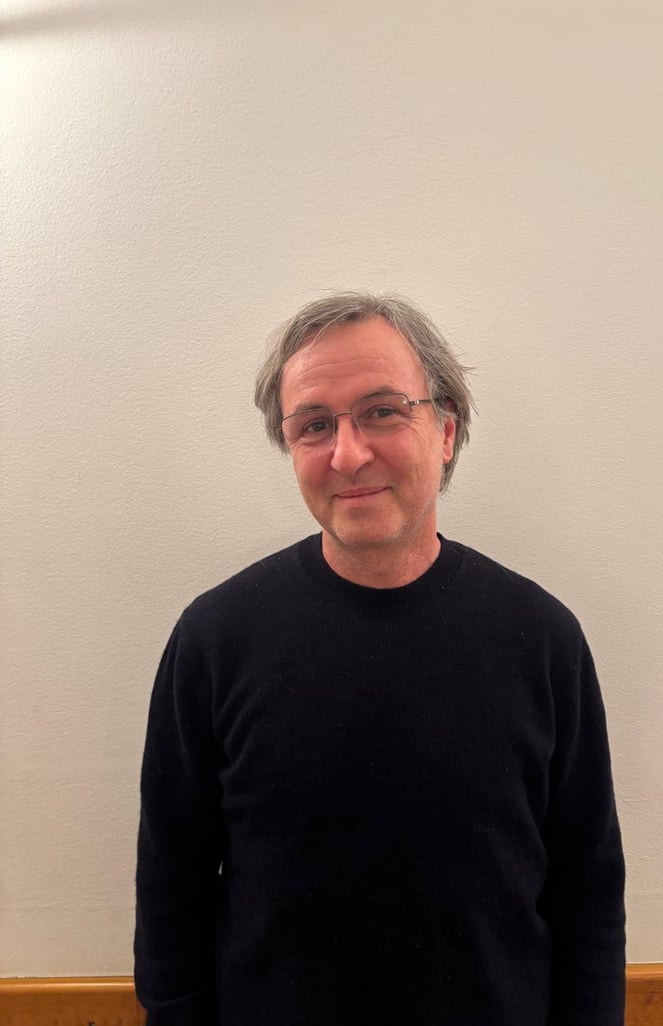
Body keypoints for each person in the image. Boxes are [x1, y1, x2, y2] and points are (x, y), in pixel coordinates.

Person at [135, 292, 625, 1026]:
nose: (348, 453)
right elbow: (172, 883)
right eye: (314, 425)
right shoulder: (215, 640)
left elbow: (588, 889)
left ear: (446, 430)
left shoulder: (543, 639)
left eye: (383, 411)